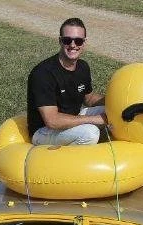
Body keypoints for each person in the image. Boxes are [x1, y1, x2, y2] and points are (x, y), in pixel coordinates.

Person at [27, 18, 106, 146]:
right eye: (67, 40)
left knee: (112, 111)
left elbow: (89, 98)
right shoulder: (43, 73)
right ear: (60, 41)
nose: (73, 45)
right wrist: (95, 119)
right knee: (90, 133)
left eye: (78, 41)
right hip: (44, 130)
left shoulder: (83, 66)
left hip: (73, 118)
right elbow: (52, 121)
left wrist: (115, 101)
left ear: (84, 43)